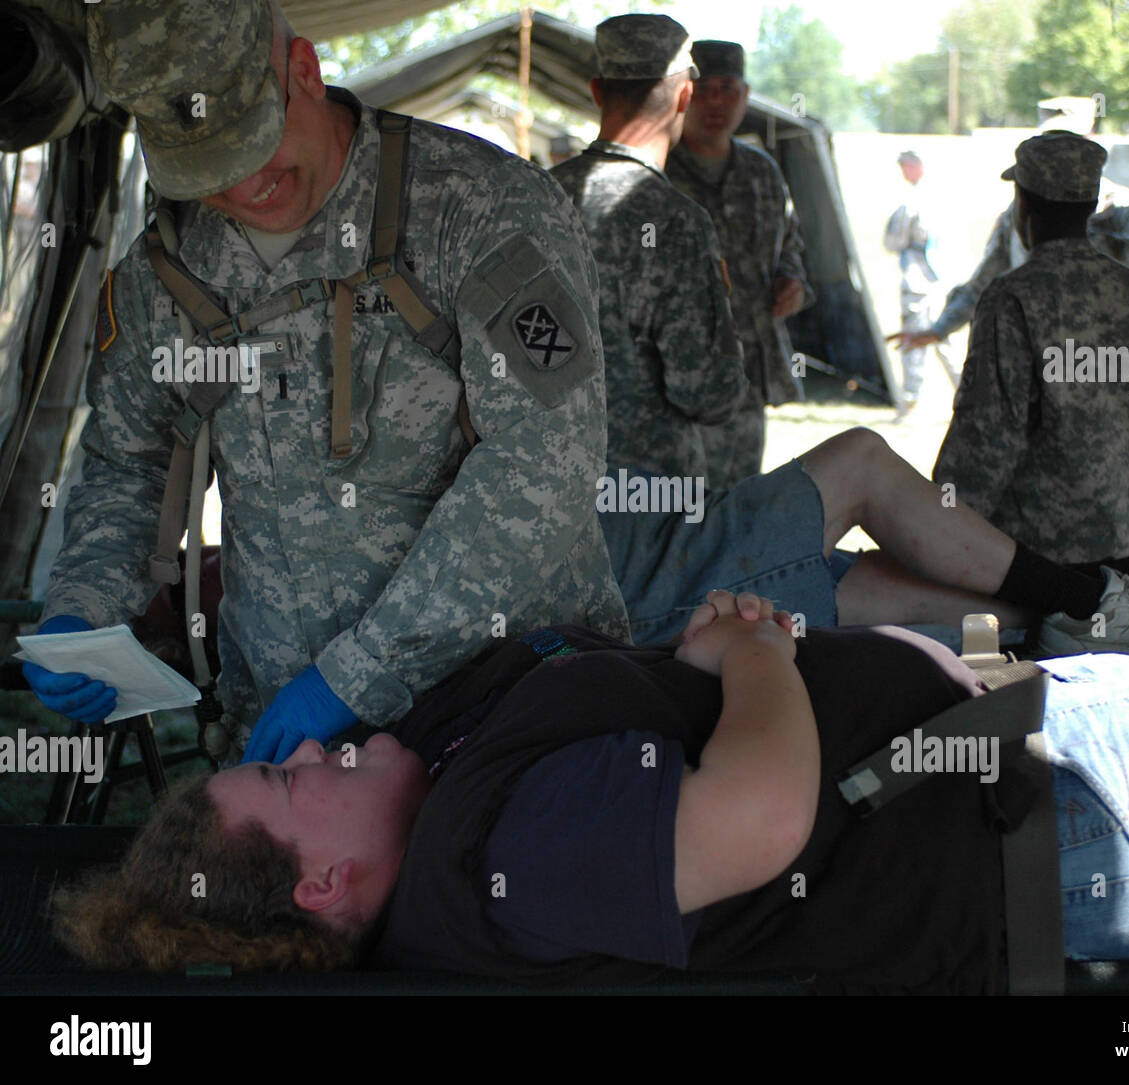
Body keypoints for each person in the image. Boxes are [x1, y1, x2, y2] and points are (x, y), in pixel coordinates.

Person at [54, 590, 1129, 992]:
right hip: (1073, 800)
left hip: (1038, 752)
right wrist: (753, 649)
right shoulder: (505, 859)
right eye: (290, 773)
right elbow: (754, 816)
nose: (319, 748)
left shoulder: (442, 810)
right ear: (322, 882)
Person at [21, 0, 630, 761]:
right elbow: (127, 459)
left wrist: (359, 674)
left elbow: (547, 458)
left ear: (303, 71)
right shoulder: (167, 266)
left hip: (500, 719)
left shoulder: (478, 209)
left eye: (256, 148)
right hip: (282, 742)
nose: (243, 188)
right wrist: (83, 607)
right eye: (207, 170)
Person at [602, 424, 1129, 656]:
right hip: (656, 584)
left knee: (976, 608)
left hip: (664, 545)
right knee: (859, 462)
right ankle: (1115, 590)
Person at [931, 133, 1129, 646]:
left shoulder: (1014, 298)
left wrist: (935, 529)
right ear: (1088, 207)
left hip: (1037, 577)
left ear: (1023, 206)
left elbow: (980, 457)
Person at [550, 15, 749, 486]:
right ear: (685, 96)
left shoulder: (531, 197)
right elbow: (707, 391)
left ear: (598, 91)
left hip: (539, 489)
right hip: (645, 494)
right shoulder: (677, 221)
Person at [889, 97, 1129, 357]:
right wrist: (939, 329)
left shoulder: (1118, 208)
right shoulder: (1019, 211)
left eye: (1069, 140)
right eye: (1051, 140)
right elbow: (984, 283)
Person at [664, 40, 815, 486]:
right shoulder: (657, 172)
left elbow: (791, 245)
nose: (715, 101)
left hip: (750, 375)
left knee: (740, 497)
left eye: (727, 89)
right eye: (704, 88)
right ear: (683, 95)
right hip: (676, 381)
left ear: (745, 96)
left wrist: (794, 282)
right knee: (679, 507)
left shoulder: (761, 171)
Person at [881, 150, 950, 420]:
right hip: (943, 277)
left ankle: (908, 402)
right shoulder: (943, 196)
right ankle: (965, 391)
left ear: (914, 166)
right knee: (945, 336)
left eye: (904, 167)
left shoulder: (912, 202)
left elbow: (893, 241)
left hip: (918, 278)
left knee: (913, 338)